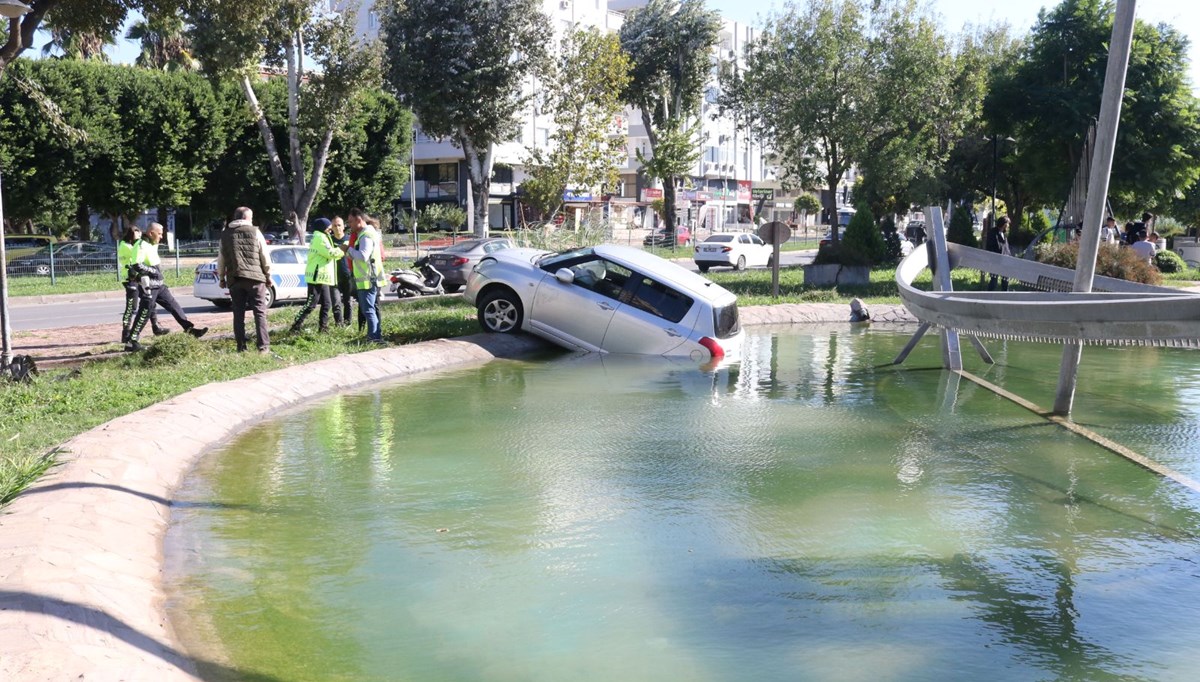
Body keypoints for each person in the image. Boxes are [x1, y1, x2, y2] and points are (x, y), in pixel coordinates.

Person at [126, 223, 208, 351]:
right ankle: (132, 342)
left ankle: (189, 329)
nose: (161, 236)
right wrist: (153, 272)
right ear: (151, 233)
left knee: (173, 305)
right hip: (149, 286)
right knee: (144, 312)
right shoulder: (141, 245)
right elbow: (136, 264)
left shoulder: (152, 244)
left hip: (159, 285)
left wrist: (156, 273)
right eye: (159, 233)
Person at [218, 207, 272, 353]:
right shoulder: (255, 232)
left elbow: (221, 259)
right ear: (248, 218)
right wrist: (268, 275)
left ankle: (241, 347)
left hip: (235, 279)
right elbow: (264, 256)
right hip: (255, 278)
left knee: (238, 314)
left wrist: (221, 277)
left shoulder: (225, 234)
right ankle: (263, 347)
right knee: (260, 312)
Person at [340, 208, 386, 343]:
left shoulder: (366, 235)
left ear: (359, 220)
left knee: (369, 310)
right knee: (370, 310)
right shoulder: (367, 233)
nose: (349, 225)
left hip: (368, 280)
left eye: (350, 222)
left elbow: (363, 256)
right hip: (367, 279)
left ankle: (374, 338)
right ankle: (375, 336)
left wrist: (348, 249)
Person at [290, 217, 343, 333]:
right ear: (323, 227)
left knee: (327, 303)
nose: (331, 229)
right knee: (311, 304)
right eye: (329, 227)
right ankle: (296, 326)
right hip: (316, 276)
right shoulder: (320, 238)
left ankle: (323, 327)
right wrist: (342, 250)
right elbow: (329, 253)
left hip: (322, 277)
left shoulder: (323, 236)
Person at [117, 224, 167, 344]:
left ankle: (156, 326)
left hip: (138, 279)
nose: (140, 235)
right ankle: (126, 333)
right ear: (131, 234)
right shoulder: (126, 246)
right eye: (137, 233)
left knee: (149, 302)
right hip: (130, 279)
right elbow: (138, 256)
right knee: (131, 307)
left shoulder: (136, 244)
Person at [331, 216, 354, 326]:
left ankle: (348, 323)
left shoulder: (349, 239)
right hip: (333, 276)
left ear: (344, 226)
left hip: (348, 275)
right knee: (336, 302)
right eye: (334, 225)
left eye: (339, 225)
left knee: (348, 301)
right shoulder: (329, 240)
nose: (337, 227)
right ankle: (338, 324)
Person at [985, 215, 1011, 292]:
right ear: (1004, 224)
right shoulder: (993, 233)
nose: (1008, 226)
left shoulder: (1004, 234)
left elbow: (1006, 248)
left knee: (1005, 281)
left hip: (1005, 262)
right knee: (994, 281)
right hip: (995, 261)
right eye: (1007, 224)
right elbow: (992, 247)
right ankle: (988, 297)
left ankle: (1005, 297)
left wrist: (1009, 258)